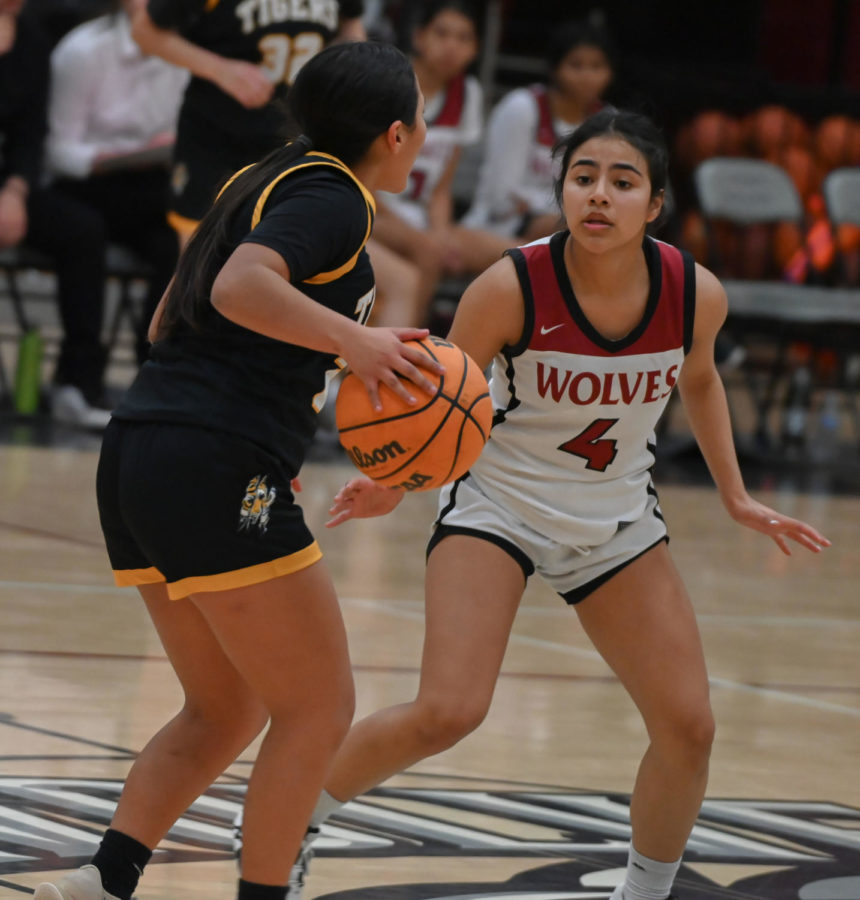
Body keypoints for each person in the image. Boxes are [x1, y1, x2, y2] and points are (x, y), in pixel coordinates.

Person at [295, 109, 831, 900]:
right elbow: (443, 395)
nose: (599, 196)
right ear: (562, 191)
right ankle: (285, 825)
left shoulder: (692, 292)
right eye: (583, 178)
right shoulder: (509, 285)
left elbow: (703, 381)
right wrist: (394, 483)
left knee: (690, 727)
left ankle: (645, 892)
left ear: (654, 205)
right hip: (496, 506)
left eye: (623, 182)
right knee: (448, 710)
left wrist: (737, 494)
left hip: (614, 521)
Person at [33, 39, 442, 900]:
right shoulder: (337, 198)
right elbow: (238, 290)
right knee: (317, 709)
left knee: (225, 706)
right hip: (213, 454)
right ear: (397, 134)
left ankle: (100, 881)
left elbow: (166, 319)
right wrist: (355, 341)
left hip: (143, 444)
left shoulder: (254, 179)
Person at [129, 0, 366, 248]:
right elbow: (144, 31)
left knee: (285, 260)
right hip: (217, 138)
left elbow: (350, 23)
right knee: (199, 264)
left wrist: (344, 67)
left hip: (298, 141)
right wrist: (219, 70)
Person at [46, 0, 188, 366]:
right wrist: (119, 158)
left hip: (151, 186)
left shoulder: (185, 54)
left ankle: (155, 365)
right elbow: (58, 152)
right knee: (84, 231)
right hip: (83, 185)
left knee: (181, 235)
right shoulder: (82, 50)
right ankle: (79, 374)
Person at [0, 0, 111, 428]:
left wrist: (14, 190)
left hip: (10, 186)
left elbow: (30, 136)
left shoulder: (31, 39)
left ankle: (77, 382)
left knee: (82, 229)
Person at [372, 0, 515, 323]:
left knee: (514, 253)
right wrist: (426, 240)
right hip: (376, 211)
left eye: (464, 38)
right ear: (419, 37)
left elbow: (441, 189)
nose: (452, 46)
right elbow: (364, 175)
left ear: (476, 49)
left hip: (422, 216)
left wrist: (440, 232)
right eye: (442, 33)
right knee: (428, 252)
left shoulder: (469, 92)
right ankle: (412, 346)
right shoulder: (390, 82)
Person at [462, 19, 614, 241]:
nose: (586, 77)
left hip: (565, 226)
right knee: (573, 226)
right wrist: (563, 207)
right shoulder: (521, 108)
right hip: (497, 227)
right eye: (576, 65)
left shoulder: (609, 121)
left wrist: (534, 201)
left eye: (596, 67)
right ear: (555, 68)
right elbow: (500, 196)